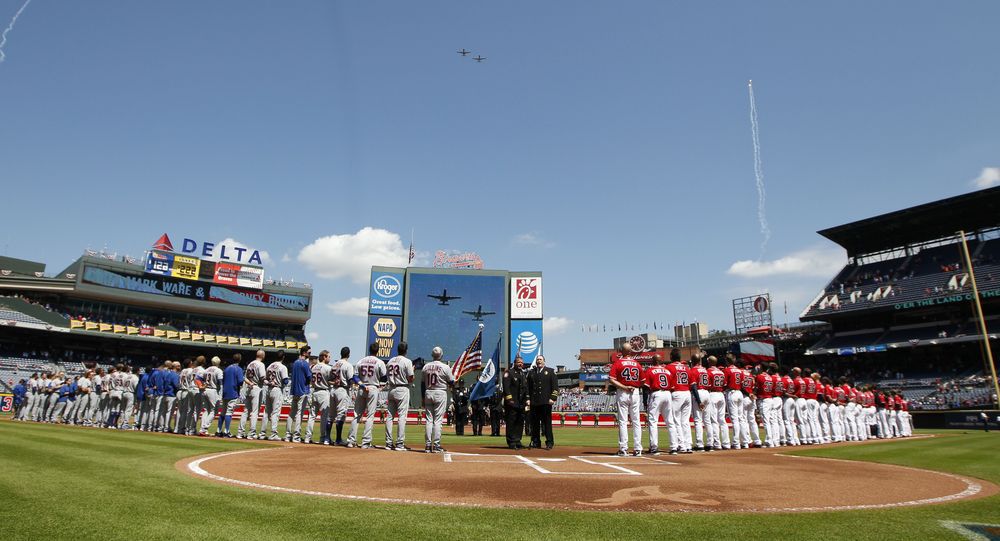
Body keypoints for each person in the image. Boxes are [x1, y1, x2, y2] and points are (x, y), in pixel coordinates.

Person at [347, 343, 386, 448]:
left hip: (361, 388)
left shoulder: (361, 361)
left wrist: (362, 385)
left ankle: (351, 441)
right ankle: (365, 442)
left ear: (369, 350)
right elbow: (384, 377)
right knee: (370, 416)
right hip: (373, 388)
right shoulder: (379, 362)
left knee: (357, 415)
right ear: (377, 351)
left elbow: (354, 377)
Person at [609, 344, 644, 456]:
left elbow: (611, 379)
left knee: (623, 421)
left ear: (621, 351)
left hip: (623, 392)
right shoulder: (637, 364)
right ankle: (638, 449)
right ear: (631, 352)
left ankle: (623, 448)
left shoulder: (618, 363)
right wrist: (635, 386)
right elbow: (643, 381)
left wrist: (625, 387)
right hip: (635, 392)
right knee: (636, 421)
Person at [422, 346, 455, 453]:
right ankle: (436, 445)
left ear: (432, 355)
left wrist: (423, 397)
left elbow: (422, 383)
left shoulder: (426, 367)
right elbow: (451, 382)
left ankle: (427, 445)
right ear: (441, 355)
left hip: (428, 392)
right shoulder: (445, 367)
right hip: (440, 392)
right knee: (437, 421)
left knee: (429, 420)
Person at [385, 342, 414, 450]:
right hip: (402, 388)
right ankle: (400, 443)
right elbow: (411, 378)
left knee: (389, 416)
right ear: (406, 350)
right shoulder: (407, 361)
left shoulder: (390, 361)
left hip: (391, 388)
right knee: (402, 417)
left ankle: (388, 443)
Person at [526, 354, 559, 449]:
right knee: (534, 424)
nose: (539, 361)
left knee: (547, 423)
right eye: (537, 360)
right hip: (534, 403)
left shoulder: (550, 372)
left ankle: (549, 442)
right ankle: (536, 442)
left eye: (540, 359)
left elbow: (555, 387)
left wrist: (552, 398)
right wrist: (528, 399)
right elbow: (527, 387)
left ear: (544, 361)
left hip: (546, 402)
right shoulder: (531, 373)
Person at [643, 354, 673, 455]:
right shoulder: (667, 371)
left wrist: (645, 402)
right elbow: (672, 386)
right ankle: (674, 447)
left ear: (653, 361)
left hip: (656, 394)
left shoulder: (650, 370)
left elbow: (646, 388)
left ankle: (654, 447)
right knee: (670, 421)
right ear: (661, 361)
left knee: (653, 421)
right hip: (668, 394)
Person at [286, 346, 313, 443]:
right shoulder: (305, 363)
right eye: (309, 353)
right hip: (303, 391)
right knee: (299, 414)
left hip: (294, 391)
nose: (309, 355)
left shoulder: (295, 363)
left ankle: (288, 435)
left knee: (291, 413)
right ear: (304, 353)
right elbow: (310, 377)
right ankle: (296, 436)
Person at [307, 350, 333, 444]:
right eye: (329, 356)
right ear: (324, 357)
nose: (330, 358)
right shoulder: (327, 368)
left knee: (312, 416)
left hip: (315, 391)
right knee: (324, 417)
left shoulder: (313, 367)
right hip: (323, 392)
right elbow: (331, 380)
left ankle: (307, 436)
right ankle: (322, 437)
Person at [502, 356, 528, 450]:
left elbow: (525, 389)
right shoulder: (509, 373)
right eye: (518, 362)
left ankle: (518, 440)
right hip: (512, 403)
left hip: (521, 403)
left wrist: (526, 400)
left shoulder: (523, 374)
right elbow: (506, 388)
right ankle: (511, 441)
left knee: (520, 422)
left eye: (521, 362)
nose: (520, 364)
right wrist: (509, 400)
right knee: (511, 422)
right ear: (515, 363)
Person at [239, 350, 266, 440]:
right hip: (256, 387)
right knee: (254, 412)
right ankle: (251, 433)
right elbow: (262, 378)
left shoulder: (250, 364)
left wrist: (250, 383)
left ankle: (240, 432)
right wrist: (268, 382)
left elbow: (245, 377)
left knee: (246, 411)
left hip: (249, 387)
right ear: (263, 356)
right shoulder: (260, 365)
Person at [263, 351, 290, 441]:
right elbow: (285, 381)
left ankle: (262, 433)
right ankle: (273, 433)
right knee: (275, 412)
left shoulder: (270, 366)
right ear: (283, 357)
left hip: (268, 389)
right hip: (277, 389)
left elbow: (265, 379)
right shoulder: (283, 367)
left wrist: (270, 382)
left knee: (267, 412)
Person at [330, 347, 355, 445]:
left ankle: (327, 438)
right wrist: (352, 392)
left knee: (331, 416)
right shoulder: (348, 365)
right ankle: (338, 439)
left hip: (333, 389)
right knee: (341, 414)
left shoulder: (335, 364)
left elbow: (330, 378)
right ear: (348, 354)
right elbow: (350, 380)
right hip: (342, 390)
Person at [706, 356, 730, 450]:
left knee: (714, 420)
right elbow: (724, 385)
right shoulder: (721, 372)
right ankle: (726, 443)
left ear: (709, 362)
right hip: (721, 394)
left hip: (713, 394)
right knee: (722, 420)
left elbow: (707, 384)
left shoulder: (708, 371)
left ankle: (717, 443)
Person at [217, 354, 244, 437]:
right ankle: (226, 431)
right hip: (233, 392)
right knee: (229, 412)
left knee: (223, 412)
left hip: (225, 392)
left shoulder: (227, 368)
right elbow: (240, 381)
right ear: (239, 360)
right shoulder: (238, 369)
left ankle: (218, 430)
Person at [199, 357, 224, 437]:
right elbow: (220, 384)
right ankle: (204, 429)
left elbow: (200, 379)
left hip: (205, 389)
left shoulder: (206, 369)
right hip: (213, 390)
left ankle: (202, 429)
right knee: (214, 410)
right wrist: (220, 395)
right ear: (218, 363)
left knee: (206, 410)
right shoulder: (218, 370)